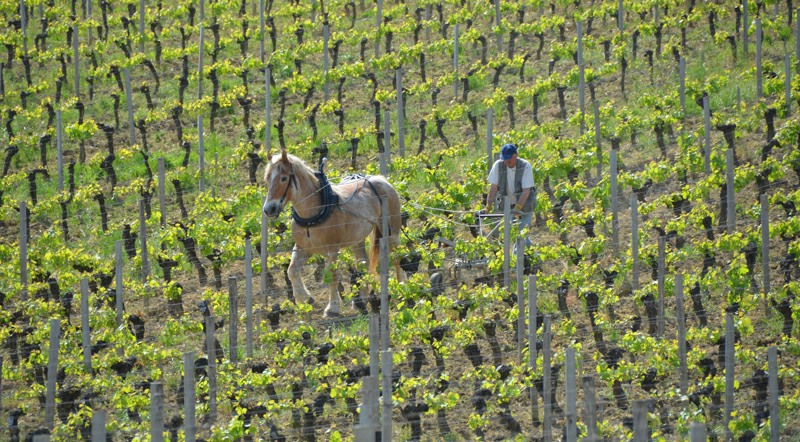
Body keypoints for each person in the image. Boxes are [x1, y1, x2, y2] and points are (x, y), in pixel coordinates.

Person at [485, 143, 535, 246]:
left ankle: (515, 260)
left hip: (525, 205)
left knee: (520, 233)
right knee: (517, 234)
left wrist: (518, 207)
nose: (507, 162)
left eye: (509, 159)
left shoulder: (525, 166)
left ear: (515, 155)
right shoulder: (498, 165)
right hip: (508, 206)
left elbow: (526, 190)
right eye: (505, 160)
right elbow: (493, 188)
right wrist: (488, 206)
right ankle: (532, 256)